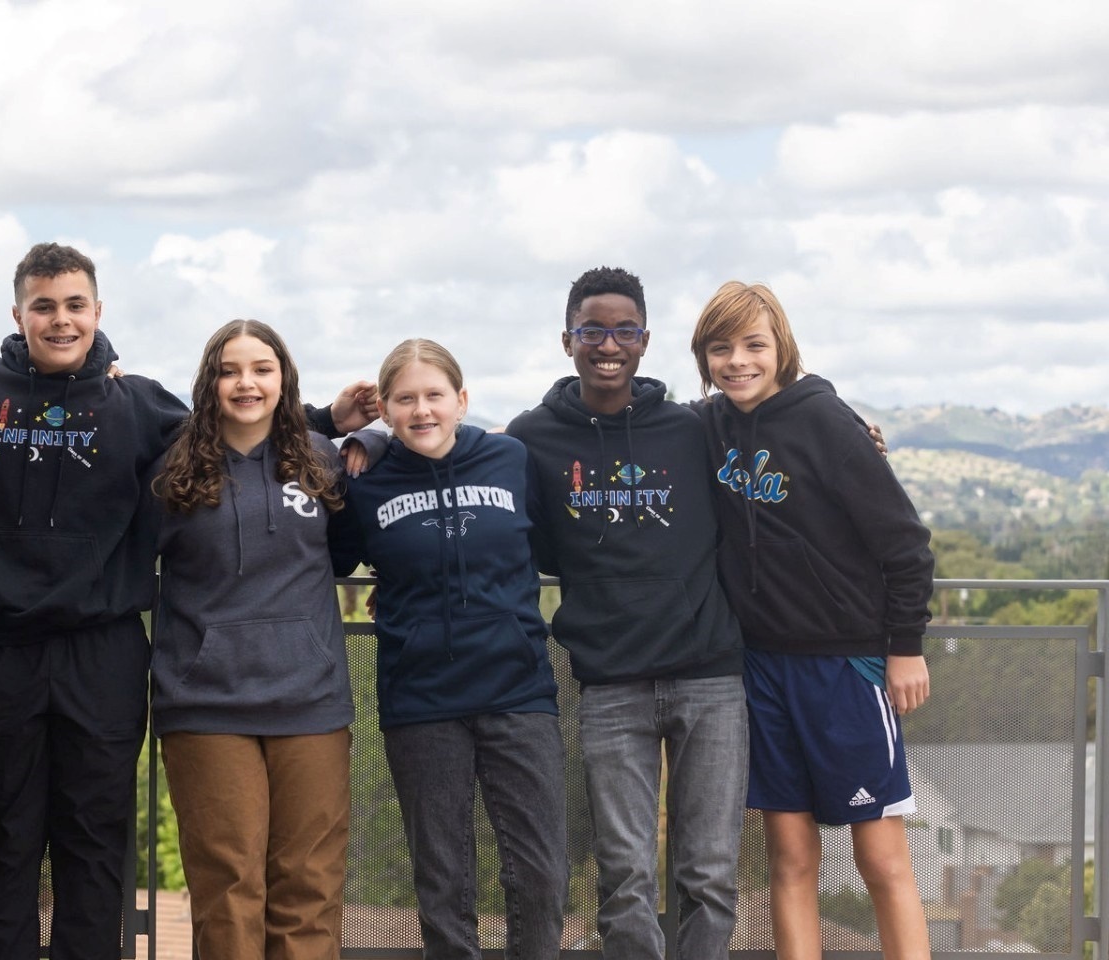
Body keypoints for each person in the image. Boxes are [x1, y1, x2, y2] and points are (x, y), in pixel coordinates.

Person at [0, 242, 377, 960]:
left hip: (104, 650)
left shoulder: (137, 401)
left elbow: (237, 427)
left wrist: (336, 422)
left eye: (74, 304)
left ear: (97, 311)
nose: (60, 319)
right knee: (5, 841)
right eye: (43, 305)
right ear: (18, 313)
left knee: (94, 843)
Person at [688, 281, 935, 960]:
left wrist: (906, 648)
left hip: (846, 667)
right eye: (721, 347)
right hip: (761, 668)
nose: (738, 360)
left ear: (782, 348)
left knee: (882, 862)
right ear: (703, 356)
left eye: (753, 345)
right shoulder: (708, 426)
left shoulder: (826, 422)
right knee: (790, 861)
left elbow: (906, 544)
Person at [505, 267, 746, 960]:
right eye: (592, 330)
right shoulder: (532, 438)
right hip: (610, 683)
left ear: (645, 341)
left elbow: (779, 430)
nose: (608, 344)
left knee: (709, 872)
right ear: (567, 340)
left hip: (712, 678)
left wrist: (856, 425)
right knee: (627, 876)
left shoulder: (692, 428)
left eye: (624, 330)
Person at [330, 338, 566, 960]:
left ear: (462, 400)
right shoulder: (366, 480)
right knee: (444, 880)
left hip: (518, 689)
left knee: (540, 873)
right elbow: (326, 556)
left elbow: (554, 542)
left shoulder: (510, 459)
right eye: (405, 400)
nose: (423, 410)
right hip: (421, 698)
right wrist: (352, 446)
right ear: (384, 409)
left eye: (435, 395)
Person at [149, 319, 353, 960]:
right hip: (207, 706)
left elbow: (345, 554)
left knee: (309, 888)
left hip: (311, 703)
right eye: (229, 370)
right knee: (228, 890)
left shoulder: (320, 458)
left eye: (261, 369)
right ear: (209, 382)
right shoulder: (171, 468)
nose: (246, 383)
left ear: (283, 378)